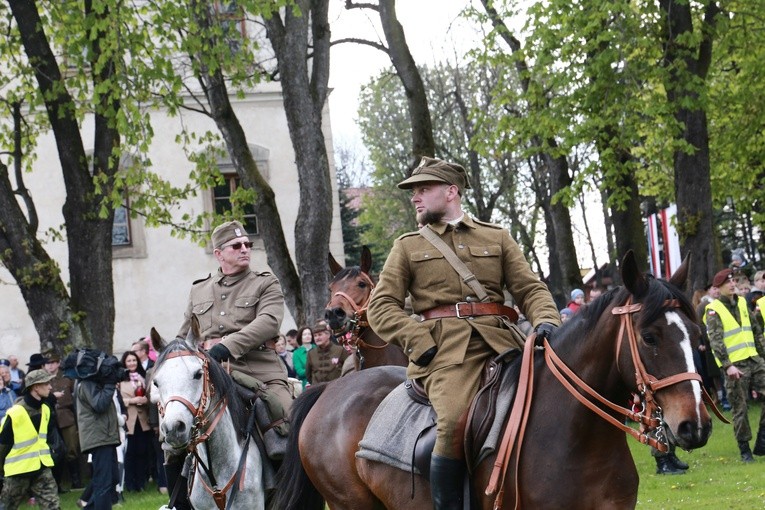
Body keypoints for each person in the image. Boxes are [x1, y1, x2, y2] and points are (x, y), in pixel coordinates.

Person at [367, 156, 560, 510]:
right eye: (414, 192)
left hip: (505, 343)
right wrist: (419, 342)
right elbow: (381, 306)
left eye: (424, 189)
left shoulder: (496, 236)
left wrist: (547, 321)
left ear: (451, 192)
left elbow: (530, 289)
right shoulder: (408, 246)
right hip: (446, 354)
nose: (415, 198)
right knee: (454, 420)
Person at [172, 219, 289, 510]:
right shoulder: (199, 290)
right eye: (236, 246)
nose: (245, 249)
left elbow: (269, 322)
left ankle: (292, 491)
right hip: (209, 374)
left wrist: (227, 346)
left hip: (258, 368)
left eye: (247, 245)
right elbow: (185, 333)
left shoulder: (265, 282)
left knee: (285, 414)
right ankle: (177, 501)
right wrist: (171, 361)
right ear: (219, 253)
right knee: (172, 426)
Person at [704, 268, 765, 462]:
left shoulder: (741, 302)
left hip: (754, 360)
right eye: (727, 283)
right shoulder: (713, 309)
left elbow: (755, 331)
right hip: (735, 365)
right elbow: (716, 340)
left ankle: (763, 438)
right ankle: (744, 448)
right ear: (718, 287)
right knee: (740, 408)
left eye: (733, 281)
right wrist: (727, 365)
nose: (732, 285)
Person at [0, 369, 59, 510]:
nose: (50, 387)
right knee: (7, 507)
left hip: (41, 467)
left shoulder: (46, 408)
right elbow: (3, 445)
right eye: (46, 383)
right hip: (18, 471)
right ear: (35, 387)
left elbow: (48, 435)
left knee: (52, 506)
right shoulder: (16, 413)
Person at [75, 365, 121, 509]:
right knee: (104, 483)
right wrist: (110, 385)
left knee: (112, 477)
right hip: (98, 438)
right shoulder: (87, 383)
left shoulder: (93, 383)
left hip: (105, 437)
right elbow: (99, 404)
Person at [44, 354, 83, 491]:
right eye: (47, 363)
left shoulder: (67, 378)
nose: (50, 365)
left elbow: (76, 397)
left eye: (53, 362)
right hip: (50, 419)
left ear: (58, 363)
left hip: (66, 416)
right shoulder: (43, 380)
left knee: (72, 448)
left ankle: (76, 481)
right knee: (55, 451)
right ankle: (57, 483)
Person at [118, 351, 151, 492]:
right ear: (124, 363)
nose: (132, 363)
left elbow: (150, 395)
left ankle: (141, 482)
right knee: (130, 453)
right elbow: (117, 400)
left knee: (142, 452)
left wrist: (145, 400)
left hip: (143, 420)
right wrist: (132, 400)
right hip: (129, 421)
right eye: (129, 361)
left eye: (134, 360)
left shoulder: (143, 377)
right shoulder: (120, 379)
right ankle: (130, 484)